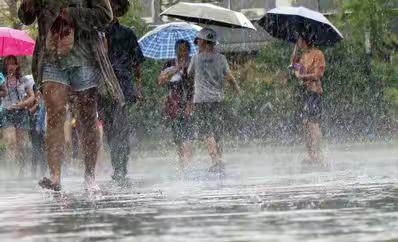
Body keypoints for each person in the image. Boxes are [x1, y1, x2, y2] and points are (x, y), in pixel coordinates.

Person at [19, 0, 120, 191]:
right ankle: (55, 177)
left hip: (85, 57)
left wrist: (72, 14)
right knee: (55, 112)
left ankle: (89, 176)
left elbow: (106, 15)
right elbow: (25, 18)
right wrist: (28, 5)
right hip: (51, 56)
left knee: (88, 117)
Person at [97, 0, 144, 185]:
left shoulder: (127, 33)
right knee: (109, 130)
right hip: (103, 87)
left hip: (123, 86)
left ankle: (120, 168)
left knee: (121, 128)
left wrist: (138, 88)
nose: (110, 8)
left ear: (118, 8)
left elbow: (137, 63)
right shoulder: (97, 34)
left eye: (113, 5)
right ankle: (118, 164)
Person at [187, 28, 241, 174]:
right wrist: (237, 90)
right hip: (218, 99)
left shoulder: (196, 59)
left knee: (206, 131)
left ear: (203, 42)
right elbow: (229, 77)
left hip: (202, 100)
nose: (197, 44)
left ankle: (215, 160)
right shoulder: (221, 58)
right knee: (217, 131)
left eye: (198, 41)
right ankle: (220, 158)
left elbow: (189, 73)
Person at [158, 39, 194, 170]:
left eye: (185, 49)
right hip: (173, 103)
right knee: (178, 136)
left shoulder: (192, 62)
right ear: (176, 50)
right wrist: (176, 69)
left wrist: (190, 103)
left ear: (189, 50)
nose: (182, 52)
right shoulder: (169, 63)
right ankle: (182, 164)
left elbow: (194, 84)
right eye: (180, 49)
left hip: (189, 102)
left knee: (188, 135)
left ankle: (189, 164)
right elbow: (161, 80)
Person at [291, 34, 326, 164]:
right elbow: (294, 64)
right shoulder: (304, 56)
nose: (298, 42)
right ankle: (311, 155)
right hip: (305, 93)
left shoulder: (318, 54)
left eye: (299, 40)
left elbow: (318, 75)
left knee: (313, 124)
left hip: (314, 93)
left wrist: (303, 77)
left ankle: (320, 154)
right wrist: (295, 46)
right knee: (305, 125)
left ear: (305, 40)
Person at [0, 56, 35, 175]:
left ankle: (22, 170)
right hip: (6, 112)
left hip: (21, 113)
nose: (11, 66)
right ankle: (9, 171)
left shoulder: (24, 80)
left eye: (13, 64)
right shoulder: (1, 79)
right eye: (8, 64)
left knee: (22, 145)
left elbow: (32, 96)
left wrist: (23, 103)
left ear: (17, 66)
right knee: (11, 141)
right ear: (5, 65)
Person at [28, 84, 47, 177]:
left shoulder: (47, 101)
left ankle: (43, 173)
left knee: (44, 151)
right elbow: (28, 112)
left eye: (41, 91)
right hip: (33, 128)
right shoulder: (31, 100)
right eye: (37, 91)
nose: (39, 93)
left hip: (44, 129)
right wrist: (37, 104)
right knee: (35, 150)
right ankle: (33, 172)